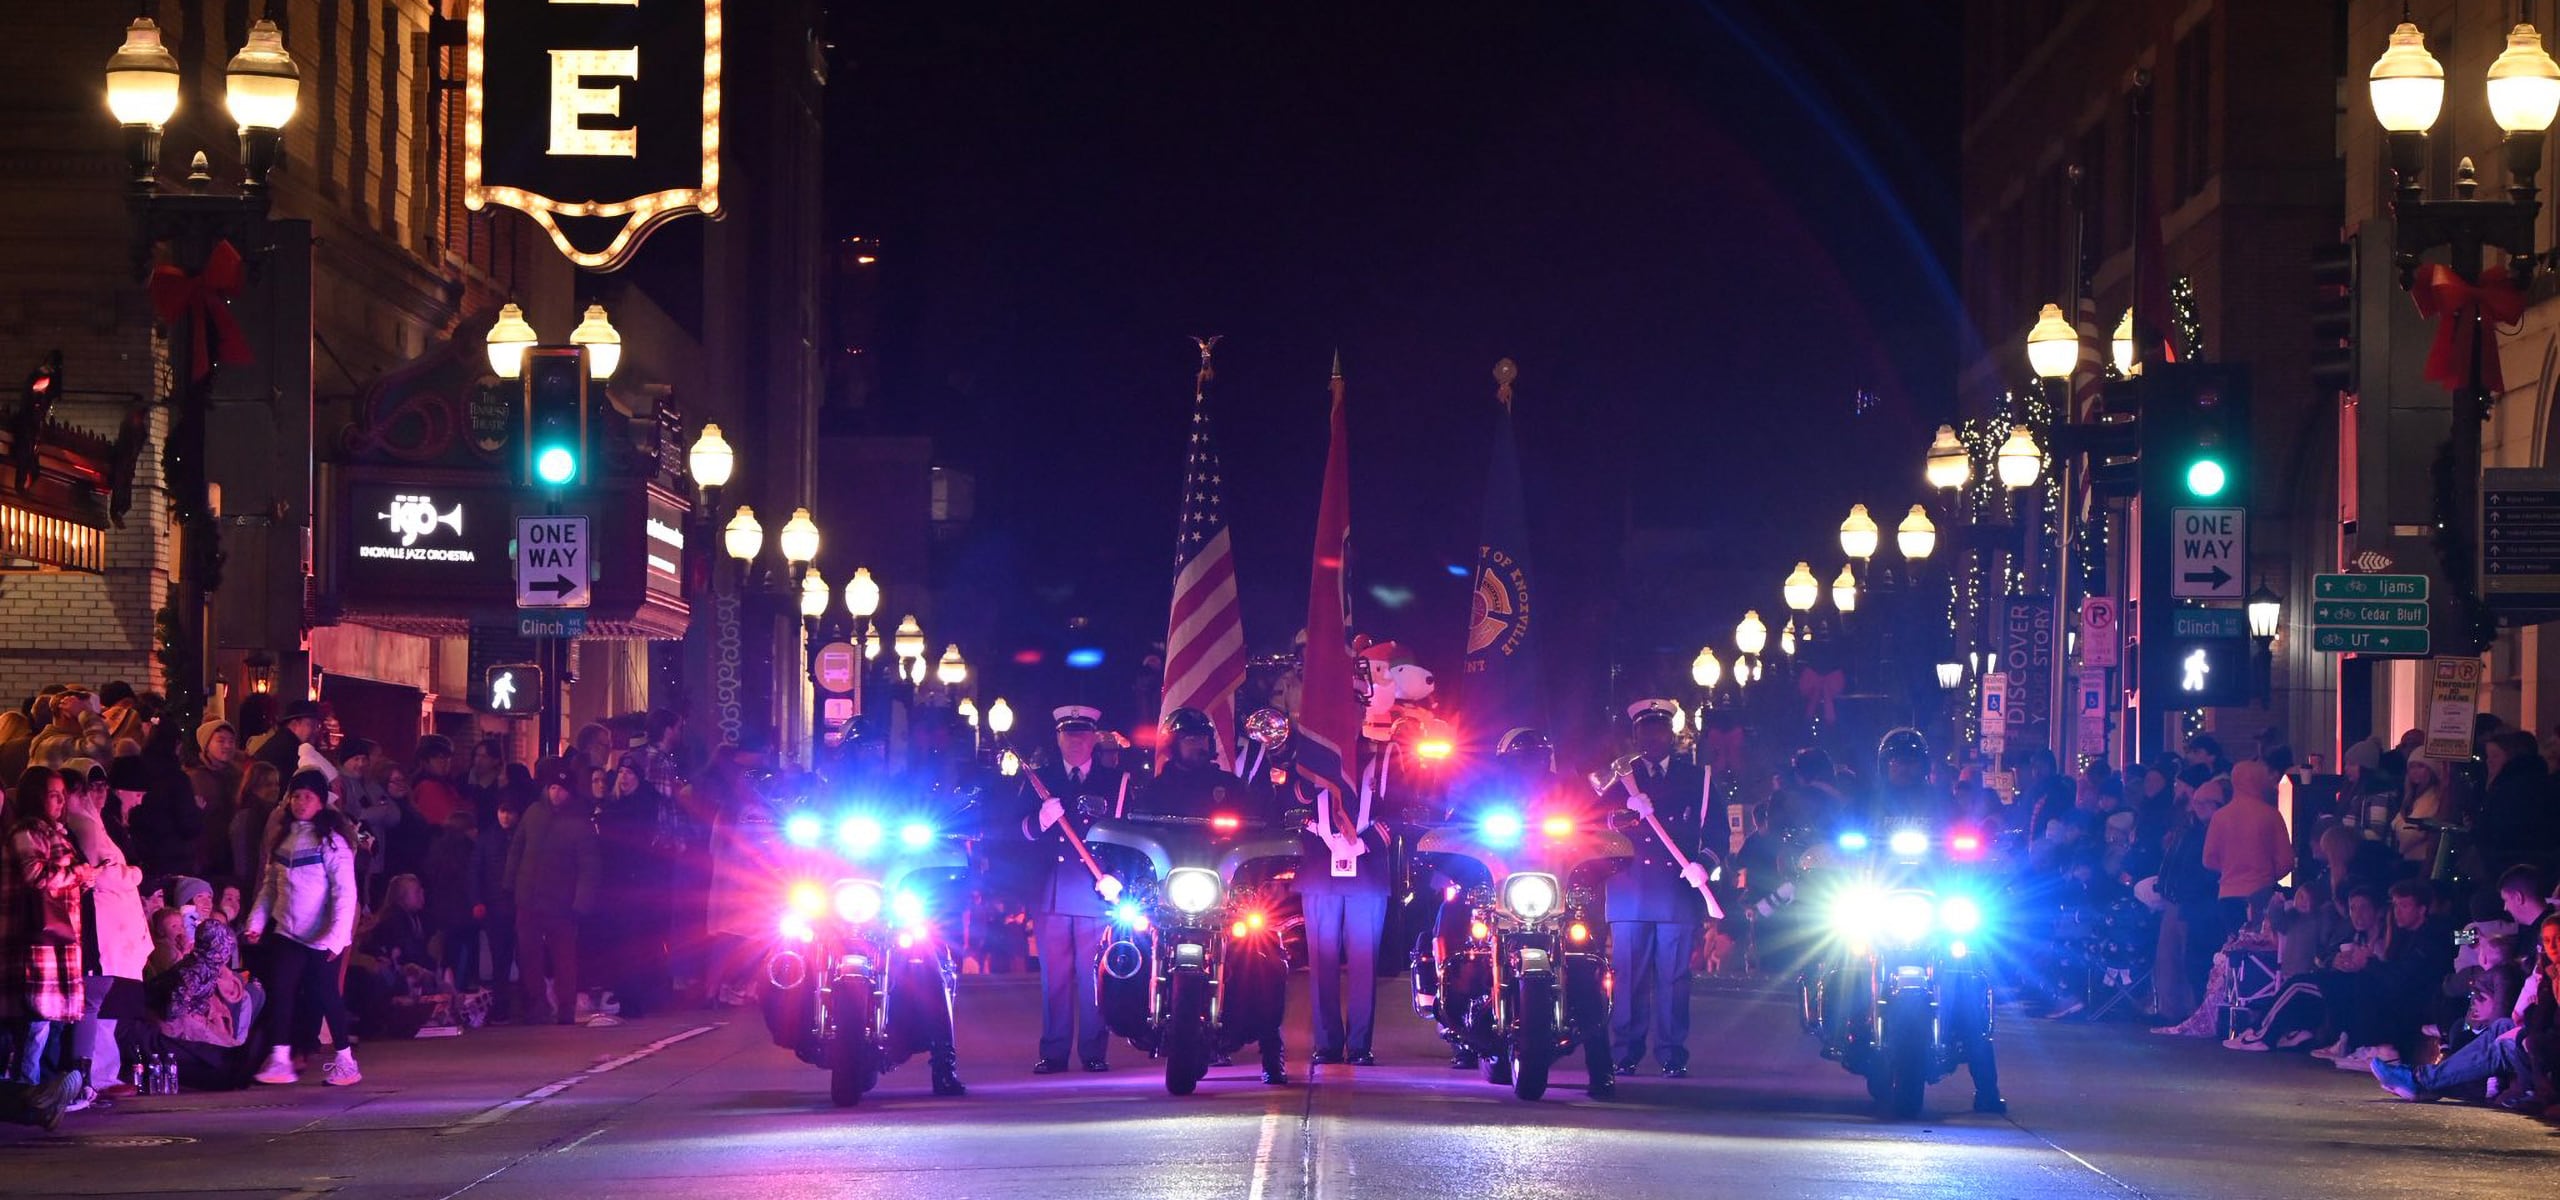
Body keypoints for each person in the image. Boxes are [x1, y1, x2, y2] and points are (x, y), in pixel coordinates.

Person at [1137, 707, 1289, 1084]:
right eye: (1189, 739)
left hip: (1224, 892)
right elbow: (1135, 838)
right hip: (1168, 896)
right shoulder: (1154, 790)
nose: (1197, 746)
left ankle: (1272, 1053)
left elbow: (1259, 826)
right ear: (1174, 744)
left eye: (1202, 739)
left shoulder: (1230, 787)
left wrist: (1269, 849)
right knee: (1125, 937)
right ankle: (1132, 1016)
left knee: (1265, 952)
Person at [1598, 699, 1711, 1079]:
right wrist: (1621, 816)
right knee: (1628, 976)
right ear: (1635, 735)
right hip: (1630, 888)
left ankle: (1672, 1052)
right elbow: (1592, 825)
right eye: (1645, 731)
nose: (1653, 738)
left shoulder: (1697, 778)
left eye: (1660, 729)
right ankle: (1626, 1051)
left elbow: (1715, 834)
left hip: (1677, 890)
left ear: (1672, 734)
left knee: (1675, 978)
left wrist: (1704, 865)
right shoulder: (1618, 779)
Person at [1018, 705, 1122, 1074]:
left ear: (1094, 738)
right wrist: (1038, 821)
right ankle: (1054, 1052)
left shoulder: (1114, 782)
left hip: (1096, 893)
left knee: (1094, 979)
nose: (1075, 742)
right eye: (1068, 735)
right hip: (1052, 894)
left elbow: (1124, 840)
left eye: (1082, 735)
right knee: (1055, 981)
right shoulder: (1038, 780)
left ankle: (1094, 1051)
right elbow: (1016, 835)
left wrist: (1118, 877)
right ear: (1058, 738)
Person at [244, 771, 361, 1086]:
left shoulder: (332, 842)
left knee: (326, 996)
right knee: (281, 991)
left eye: (308, 796)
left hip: (321, 937)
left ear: (322, 802)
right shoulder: (282, 838)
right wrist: (255, 923)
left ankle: (345, 1060)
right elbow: (270, 887)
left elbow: (345, 893)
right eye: (296, 796)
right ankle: (280, 1058)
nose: (300, 802)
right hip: (288, 932)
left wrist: (336, 938)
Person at [1296, 730, 1393, 1070]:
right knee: (1321, 962)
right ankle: (1327, 1044)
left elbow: (1404, 806)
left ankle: (1360, 1045)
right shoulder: (1310, 752)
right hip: (1320, 866)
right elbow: (1289, 803)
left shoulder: (1383, 756)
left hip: (1367, 870)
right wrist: (1319, 833)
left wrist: (1364, 843)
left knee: (1364, 964)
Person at [2, 768, 97, 1093]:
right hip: (38, 942)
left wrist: (82, 879)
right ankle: (28, 1091)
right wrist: (77, 873)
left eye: (62, 794)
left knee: (49, 1023)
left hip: (57, 943)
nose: (60, 801)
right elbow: (35, 875)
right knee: (36, 1022)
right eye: (52, 794)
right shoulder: (28, 832)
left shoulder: (57, 833)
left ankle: (45, 1091)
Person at [60, 761, 150, 1101]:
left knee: (111, 1000)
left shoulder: (98, 822)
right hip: (105, 924)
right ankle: (99, 1074)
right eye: (89, 787)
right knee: (103, 1000)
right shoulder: (85, 824)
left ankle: (103, 1073)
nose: (97, 794)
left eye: (101, 787)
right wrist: (136, 874)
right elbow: (110, 875)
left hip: (118, 925)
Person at [506, 771, 601, 1026]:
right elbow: (517, 849)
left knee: (564, 957)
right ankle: (537, 1002)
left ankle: (566, 1006)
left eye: (562, 789)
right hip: (529, 898)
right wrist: (510, 884)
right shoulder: (533, 813)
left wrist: (581, 902)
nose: (557, 794)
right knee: (529, 954)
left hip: (562, 902)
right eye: (553, 788)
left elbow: (589, 866)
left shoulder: (579, 824)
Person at [2203, 761, 2293, 937]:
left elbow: (2208, 859)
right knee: (2259, 948)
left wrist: (2230, 869)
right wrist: (2266, 875)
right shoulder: (2270, 814)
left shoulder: (2220, 817)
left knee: (2235, 947)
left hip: (2227, 894)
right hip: (2262, 892)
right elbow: (2287, 861)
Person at [473, 795, 523, 1017]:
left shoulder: (519, 837)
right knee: (500, 960)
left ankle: (520, 1004)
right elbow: (475, 873)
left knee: (521, 957)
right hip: (496, 908)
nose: (505, 816)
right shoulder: (487, 839)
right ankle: (501, 1006)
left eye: (509, 811)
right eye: (502, 811)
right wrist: (477, 901)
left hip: (517, 905)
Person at [422, 808, 481, 994]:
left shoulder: (436, 848)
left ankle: (447, 992)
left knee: (448, 954)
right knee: (465, 952)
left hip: (442, 911)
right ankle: (459, 992)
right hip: (464, 911)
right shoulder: (469, 851)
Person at [251, 700, 323, 780]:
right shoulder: (292, 750)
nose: (316, 730)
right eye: (311, 724)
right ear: (294, 724)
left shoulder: (281, 742)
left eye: (318, 726)